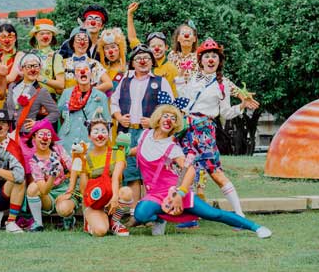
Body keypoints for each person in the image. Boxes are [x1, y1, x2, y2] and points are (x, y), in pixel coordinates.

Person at [131, 104, 271, 239]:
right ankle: (161, 218)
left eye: (173, 118)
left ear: (175, 125)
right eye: (166, 116)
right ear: (158, 118)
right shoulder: (145, 135)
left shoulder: (172, 148)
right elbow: (139, 150)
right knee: (141, 214)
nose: (169, 120)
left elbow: (190, 170)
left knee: (213, 214)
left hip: (173, 190)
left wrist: (180, 194)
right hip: (154, 193)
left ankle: (256, 228)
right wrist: (125, 150)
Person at [178, 38, 259, 217]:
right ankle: (187, 216)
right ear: (201, 60)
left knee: (214, 171)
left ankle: (239, 213)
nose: (210, 59)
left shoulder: (223, 84)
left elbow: (226, 113)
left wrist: (242, 106)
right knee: (185, 171)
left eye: (214, 56)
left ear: (219, 61)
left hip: (204, 130)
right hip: (186, 128)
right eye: (207, 56)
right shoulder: (191, 78)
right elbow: (182, 100)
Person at [110, 44, 173, 207]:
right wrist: (119, 117)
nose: (142, 61)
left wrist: (154, 122)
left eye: (146, 58)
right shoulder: (124, 81)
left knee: (150, 171)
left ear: (152, 61)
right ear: (132, 62)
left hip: (151, 134)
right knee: (131, 172)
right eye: (138, 58)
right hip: (127, 132)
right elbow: (113, 102)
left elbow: (169, 109)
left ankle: (150, 210)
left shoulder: (160, 81)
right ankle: (133, 213)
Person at [66, 108, 132, 237]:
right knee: (101, 231)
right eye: (95, 131)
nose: (100, 135)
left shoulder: (117, 151)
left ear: (108, 134)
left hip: (112, 196)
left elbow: (116, 178)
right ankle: (90, 221)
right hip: (96, 202)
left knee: (127, 192)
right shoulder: (86, 156)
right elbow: (84, 188)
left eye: (103, 131)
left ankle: (115, 222)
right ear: (90, 136)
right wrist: (81, 162)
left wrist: (114, 198)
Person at [5, 52, 60, 173]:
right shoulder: (12, 87)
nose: (32, 70)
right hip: (9, 135)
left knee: (27, 170)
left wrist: (38, 124)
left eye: (35, 66)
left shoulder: (41, 91)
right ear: (22, 69)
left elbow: (55, 113)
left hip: (26, 137)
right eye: (29, 66)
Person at [25, 120, 79, 231]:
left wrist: (70, 191)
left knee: (63, 209)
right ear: (34, 138)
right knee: (32, 188)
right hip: (48, 194)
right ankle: (38, 224)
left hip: (64, 187)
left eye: (48, 135)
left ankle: (68, 217)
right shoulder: (33, 161)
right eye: (41, 135)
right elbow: (44, 191)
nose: (45, 138)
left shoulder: (58, 149)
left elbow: (73, 168)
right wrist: (52, 175)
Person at [57, 60, 109, 153]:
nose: (82, 72)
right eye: (78, 70)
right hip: (68, 141)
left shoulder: (100, 96)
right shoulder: (66, 93)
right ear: (75, 76)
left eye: (85, 69)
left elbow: (107, 121)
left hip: (90, 143)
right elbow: (59, 115)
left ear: (91, 74)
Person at [127, 2, 178, 95]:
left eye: (160, 46)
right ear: (148, 48)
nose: (157, 49)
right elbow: (132, 38)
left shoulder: (171, 68)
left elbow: (174, 93)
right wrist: (130, 14)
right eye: (153, 46)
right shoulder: (144, 58)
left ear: (166, 47)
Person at [61, 27, 112, 93]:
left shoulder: (95, 64)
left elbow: (108, 84)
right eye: (78, 40)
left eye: (85, 40)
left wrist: (89, 92)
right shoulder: (63, 63)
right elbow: (59, 88)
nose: (82, 43)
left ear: (88, 44)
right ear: (72, 43)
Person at [28, 18, 65, 97]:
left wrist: (42, 79)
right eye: (41, 34)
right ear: (35, 35)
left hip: (48, 99)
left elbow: (61, 84)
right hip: (30, 98)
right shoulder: (29, 56)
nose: (45, 37)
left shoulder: (56, 57)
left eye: (48, 33)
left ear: (52, 36)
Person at [97, 28, 127, 98]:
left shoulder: (129, 69)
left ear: (120, 48)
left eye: (113, 47)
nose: (110, 51)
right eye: (107, 48)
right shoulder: (102, 71)